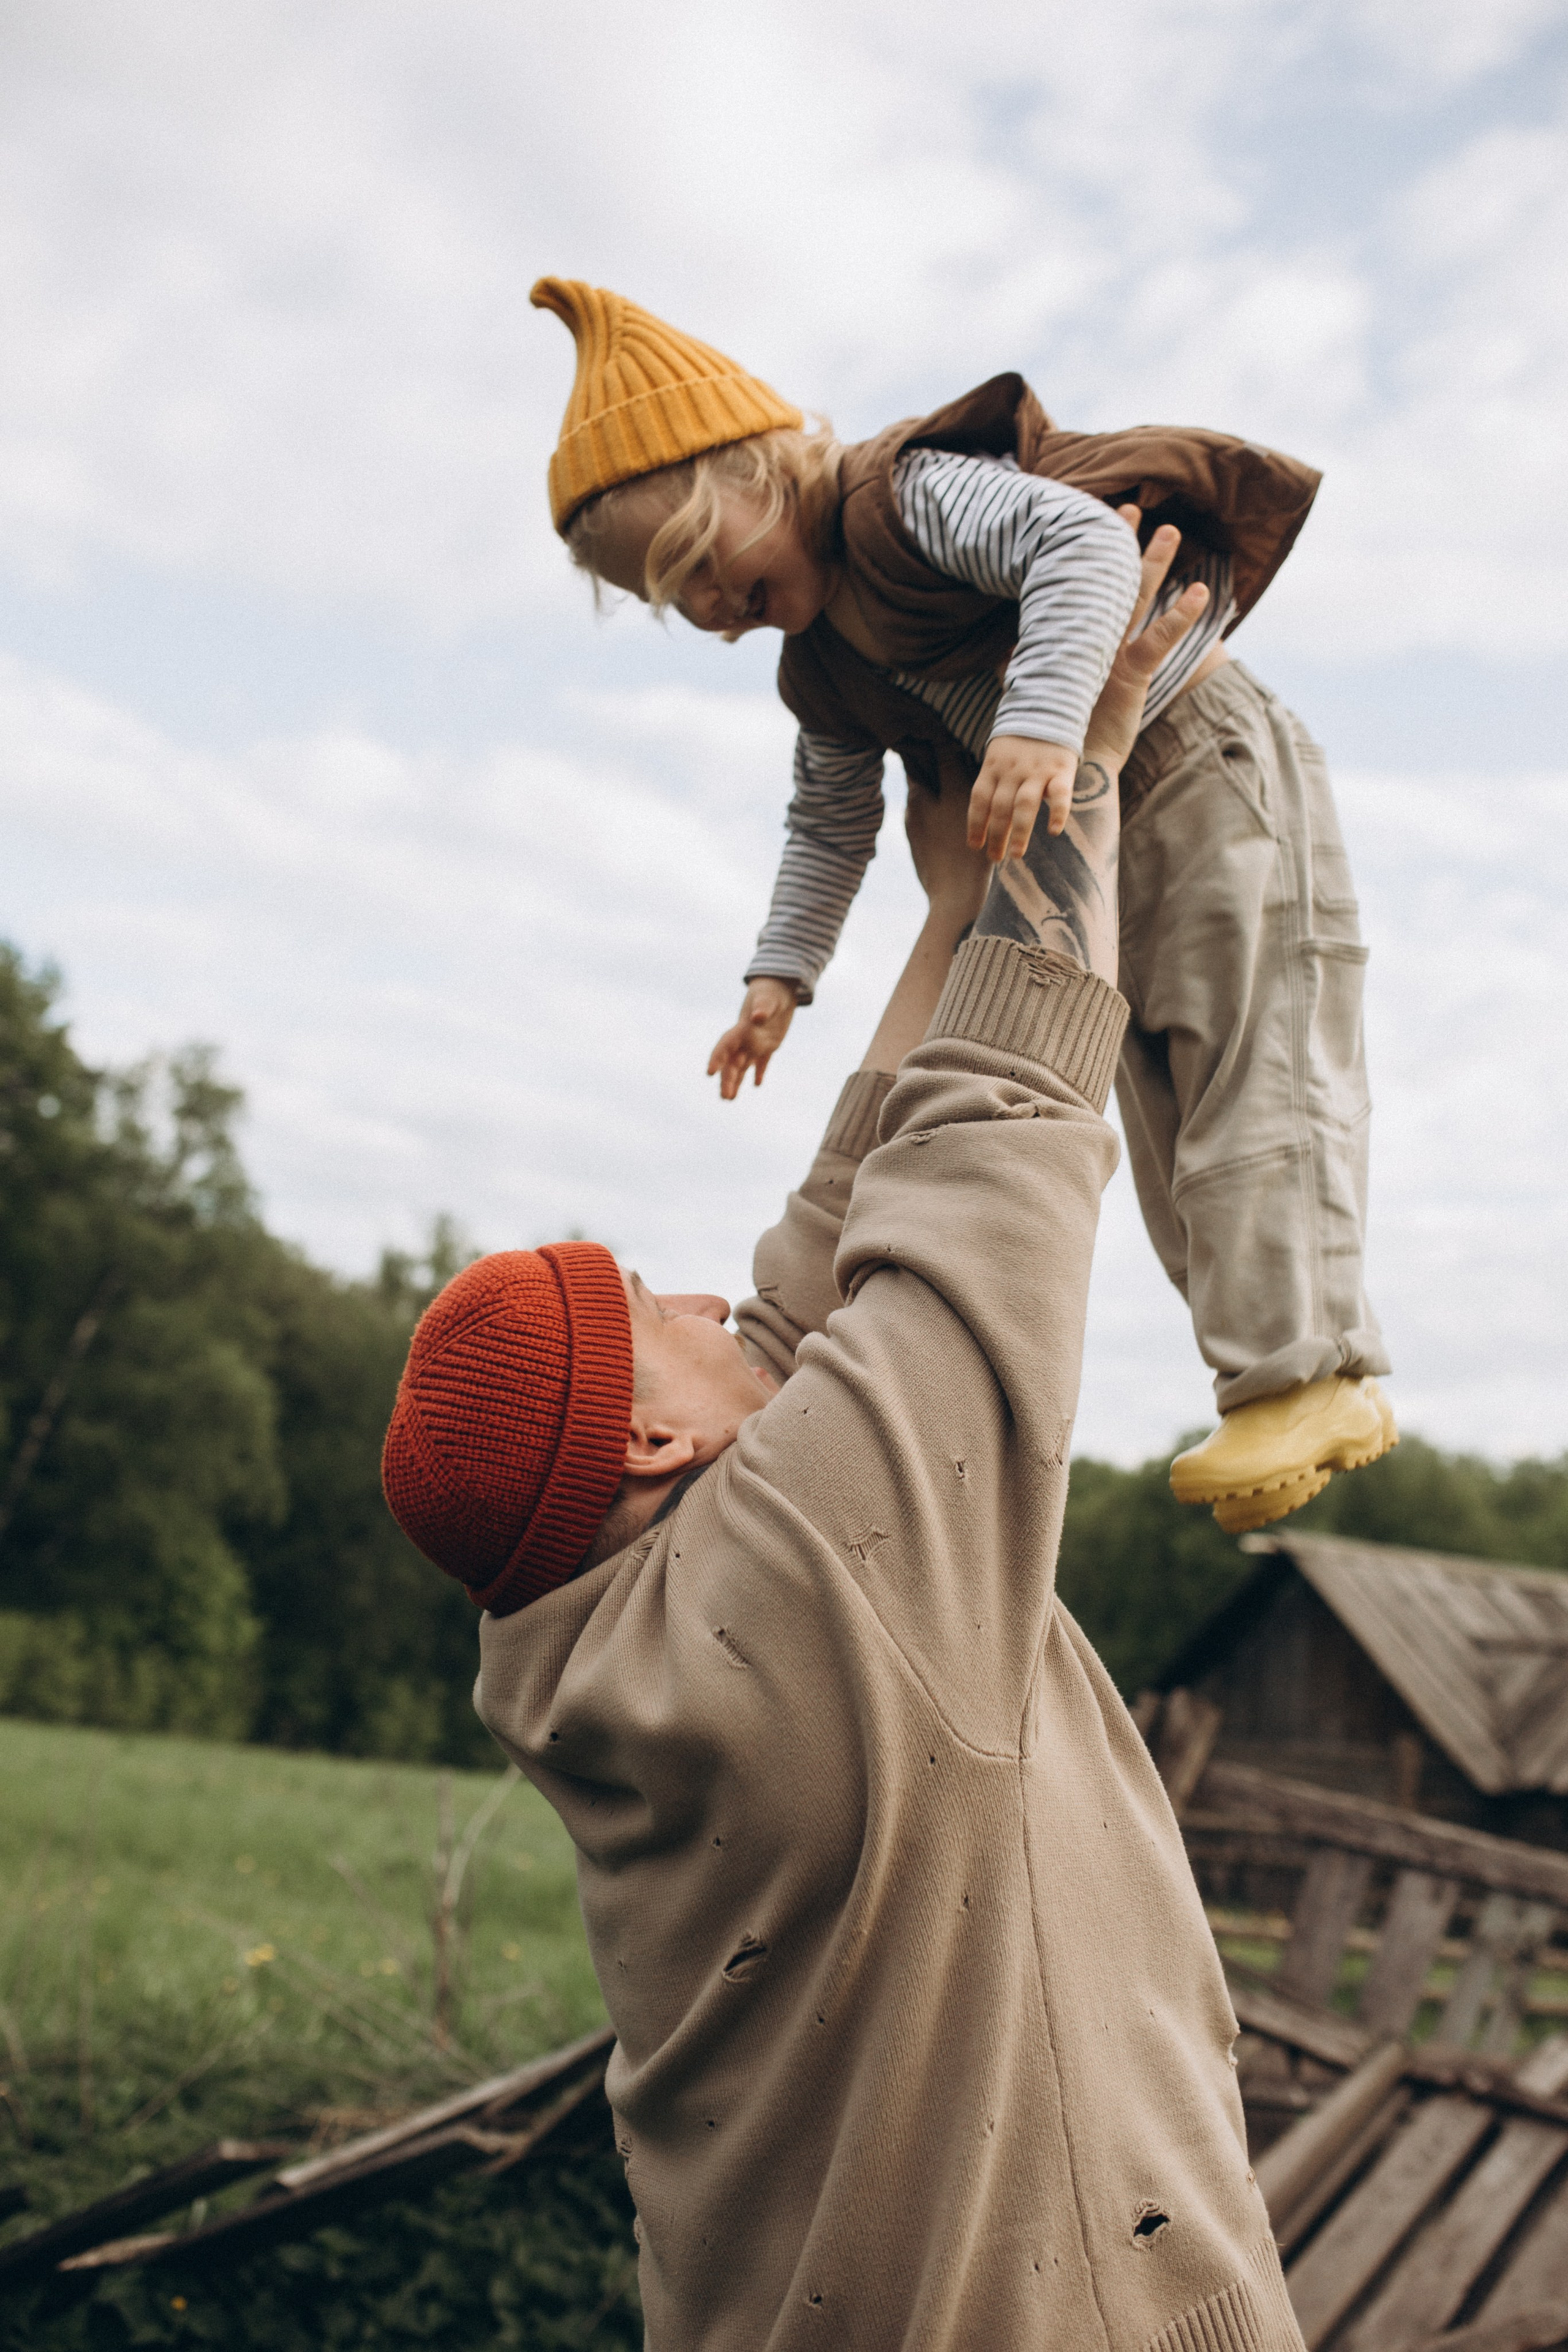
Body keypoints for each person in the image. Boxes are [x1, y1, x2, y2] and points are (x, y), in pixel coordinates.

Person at [380, 534, 1308, 2352]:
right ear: (647, 1437)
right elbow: (988, 1176)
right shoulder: (806, 1596)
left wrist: (944, 904)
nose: (715, 1309)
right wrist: (1079, 778)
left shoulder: (626, 1640)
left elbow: (822, 1275)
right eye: (660, 1313)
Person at [528, 277, 1398, 1534]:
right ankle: (1265, 1373)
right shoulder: (817, 668)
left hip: (1195, 764)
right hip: (1088, 827)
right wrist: (780, 975)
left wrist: (1042, 726)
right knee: (1154, 1102)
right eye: (681, 607)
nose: (713, 613)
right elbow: (829, 821)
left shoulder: (901, 501)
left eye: (703, 567)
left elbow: (1082, 547)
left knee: (1248, 1059)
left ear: (762, 473)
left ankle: (1311, 1369)